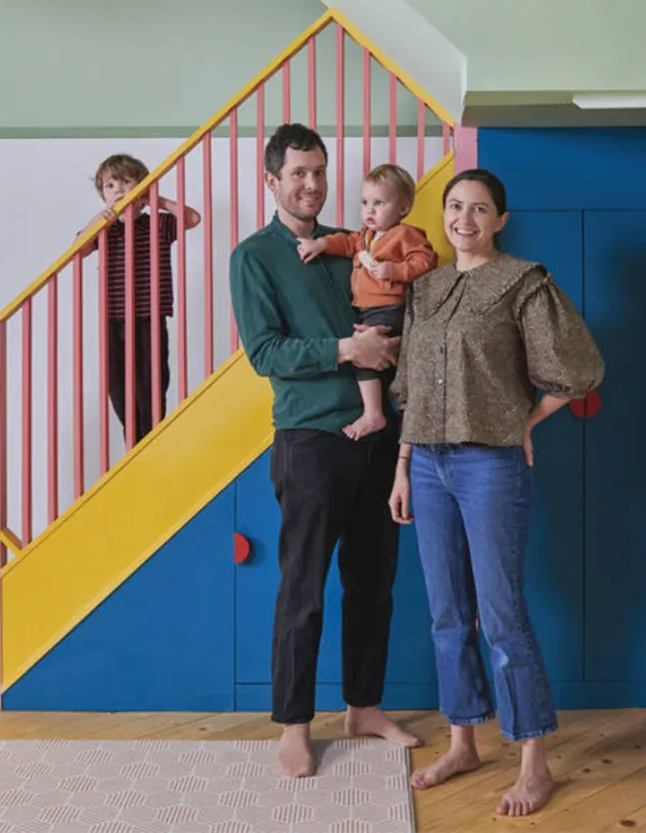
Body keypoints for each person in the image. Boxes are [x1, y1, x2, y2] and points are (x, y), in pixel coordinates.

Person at [388, 169, 604, 816]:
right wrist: (402, 465)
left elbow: (578, 368)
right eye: (455, 206)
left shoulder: (524, 282)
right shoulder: (423, 289)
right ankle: (463, 742)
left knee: (502, 614)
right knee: (447, 611)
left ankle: (534, 762)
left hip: (490, 466)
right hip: (426, 462)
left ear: (500, 218)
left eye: (479, 209)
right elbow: (410, 387)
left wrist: (523, 422)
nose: (465, 218)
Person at [229, 123, 420, 778]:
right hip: (310, 438)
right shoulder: (254, 256)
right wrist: (346, 350)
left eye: (320, 170)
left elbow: (390, 312)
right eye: (299, 173)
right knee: (303, 587)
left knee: (374, 584)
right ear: (273, 180)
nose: (312, 184)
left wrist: (389, 350)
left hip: (380, 433)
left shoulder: (353, 246)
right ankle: (293, 725)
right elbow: (264, 352)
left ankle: (364, 706)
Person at [296, 163, 437, 441]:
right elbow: (345, 242)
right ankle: (383, 408)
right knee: (370, 359)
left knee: (365, 358)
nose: (369, 210)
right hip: (367, 310)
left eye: (379, 203)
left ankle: (374, 414)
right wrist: (321, 245)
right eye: (365, 202)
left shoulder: (405, 234)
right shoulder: (365, 237)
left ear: (402, 208)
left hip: (390, 308)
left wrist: (393, 271)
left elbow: (425, 261)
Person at [76, 153, 201, 443]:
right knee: (118, 386)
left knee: (152, 381)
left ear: (142, 187)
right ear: (103, 195)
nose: (118, 189)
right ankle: (133, 439)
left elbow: (192, 219)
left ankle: (152, 436)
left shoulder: (157, 224)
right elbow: (78, 250)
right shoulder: (105, 230)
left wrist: (155, 200)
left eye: (126, 182)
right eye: (110, 185)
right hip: (115, 317)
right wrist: (99, 219)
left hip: (150, 316)